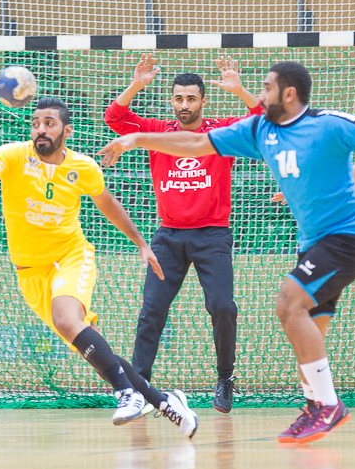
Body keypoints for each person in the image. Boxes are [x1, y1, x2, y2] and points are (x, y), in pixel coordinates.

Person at [100, 61, 355, 444]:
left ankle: (326, 405)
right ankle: (316, 404)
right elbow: (195, 144)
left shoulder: (327, 124)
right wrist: (136, 138)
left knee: (287, 303)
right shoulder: (260, 130)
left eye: (265, 88)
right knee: (309, 328)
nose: (260, 95)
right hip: (310, 241)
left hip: (349, 234)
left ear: (288, 94)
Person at [0, 96, 199, 437]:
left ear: (66, 131)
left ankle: (126, 393)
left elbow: (108, 205)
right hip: (30, 272)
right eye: (35, 123)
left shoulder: (83, 167)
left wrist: (141, 243)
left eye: (49, 123)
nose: (40, 129)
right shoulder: (13, 155)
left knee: (66, 319)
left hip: (70, 257)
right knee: (86, 340)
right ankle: (164, 401)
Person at [104, 53, 261, 413]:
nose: (184, 105)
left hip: (213, 235)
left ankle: (225, 378)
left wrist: (241, 91)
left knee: (222, 307)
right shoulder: (157, 132)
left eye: (191, 98)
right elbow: (114, 118)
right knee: (151, 310)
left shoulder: (221, 132)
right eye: (178, 98)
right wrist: (136, 85)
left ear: (204, 101)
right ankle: (139, 388)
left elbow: (264, 119)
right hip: (169, 237)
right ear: (171, 101)